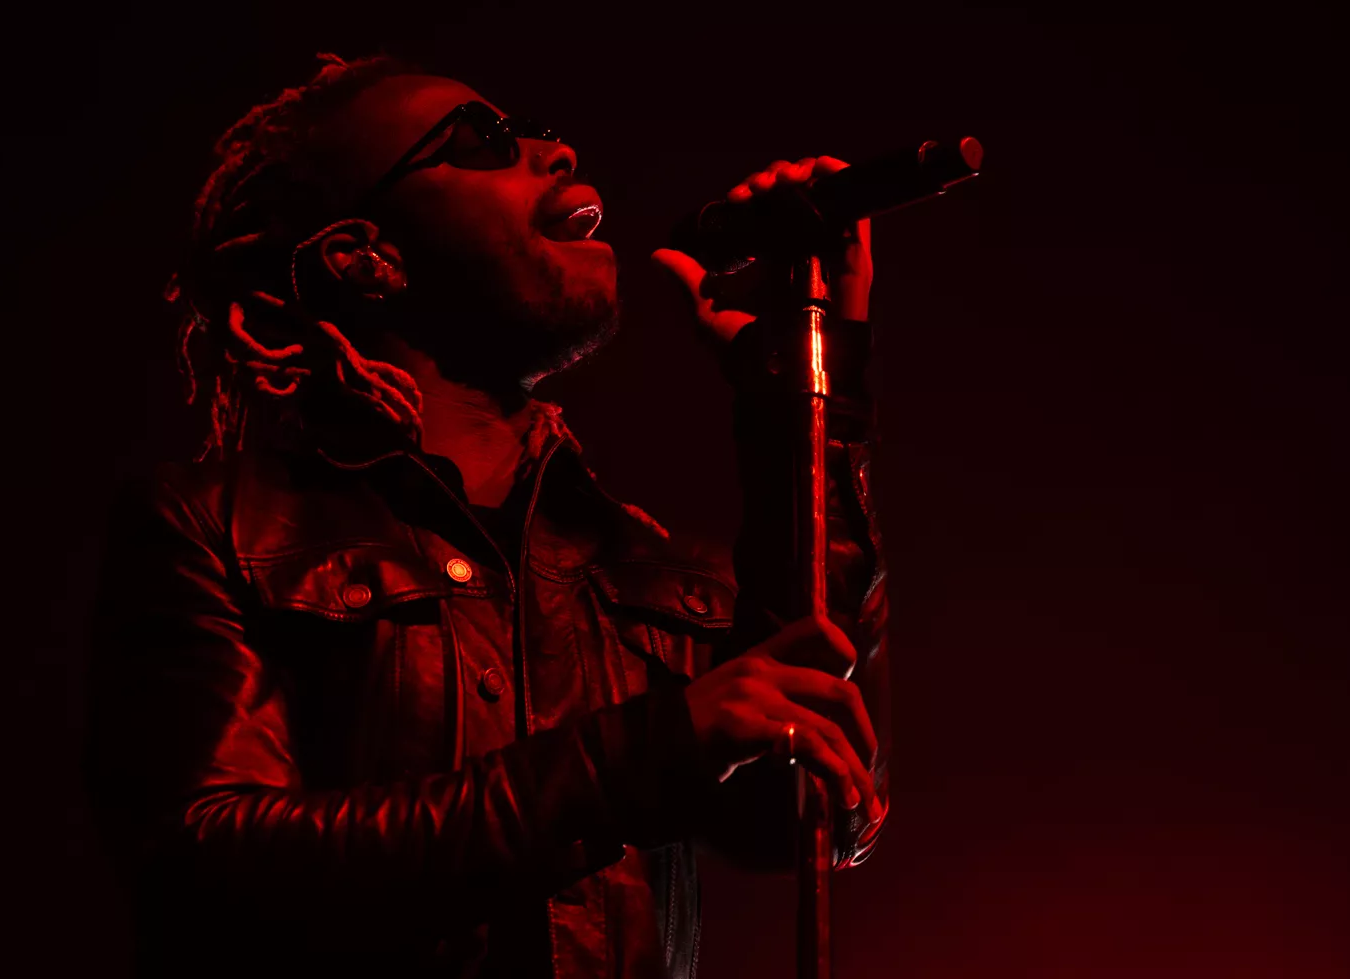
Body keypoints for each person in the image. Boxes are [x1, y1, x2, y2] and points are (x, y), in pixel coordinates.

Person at [86, 54, 891, 978]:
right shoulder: (218, 527)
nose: (557, 151)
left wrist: (804, 400)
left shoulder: (640, 562)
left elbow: (807, 817)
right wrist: (642, 755)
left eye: (536, 129)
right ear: (365, 255)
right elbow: (206, 867)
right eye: (483, 140)